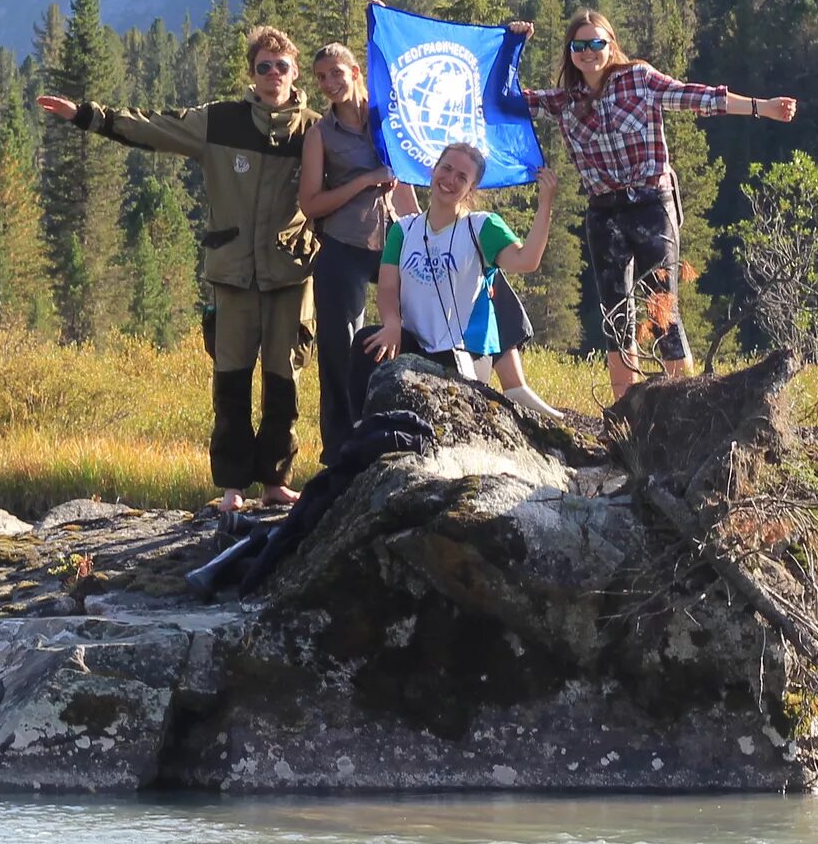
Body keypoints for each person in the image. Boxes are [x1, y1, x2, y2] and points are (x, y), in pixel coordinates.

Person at [39, 25, 317, 512]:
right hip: (232, 273)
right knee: (230, 382)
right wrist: (86, 115)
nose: (273, 75)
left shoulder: (316, 132)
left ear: (295, 73)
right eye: (263, 67)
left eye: (282, 67)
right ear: (250, 75)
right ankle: (231, 487)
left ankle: (276, 481)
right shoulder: (220, 122)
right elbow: (151, 126)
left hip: (291, 275)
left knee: (284, 383)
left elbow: (364, 160)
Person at [510, 8, 797, 399]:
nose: (588, 52)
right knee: (615, 318)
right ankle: (625, 415)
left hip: (651, 206)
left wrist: (760, 106)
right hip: (603, 213)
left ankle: (686, 407)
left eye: (597, 43)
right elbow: (509, 101)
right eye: (580, 45)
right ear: (570, 52)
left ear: (612, 46)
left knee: (662, 310)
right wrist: (513, 44)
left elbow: (695, 97)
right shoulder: (563, 101)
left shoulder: (639, 80)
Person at [369, 143, 555, 390]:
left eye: (462, 177)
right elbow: (388, 288)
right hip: (414, 341)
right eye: (445, 169)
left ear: (471, 188)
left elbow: (527, 260)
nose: (450, 180)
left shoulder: (482, 227)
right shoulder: (404, 230)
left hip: (464, 349)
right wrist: (392, 324)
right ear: (434, 170)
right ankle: (361, 426)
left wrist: (545, 205)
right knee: (366, 344)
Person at [297, 41, 393, 457]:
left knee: (409, 334)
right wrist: (364, 180)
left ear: (356, 71)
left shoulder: (389, 118)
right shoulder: (320, 135)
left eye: (336, 72)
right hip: (342, 244)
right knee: (339, 349)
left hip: (395, 240)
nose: (330, 83)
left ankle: (395, 432)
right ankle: (339, 450)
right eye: (321, 77)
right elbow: (310, 203)